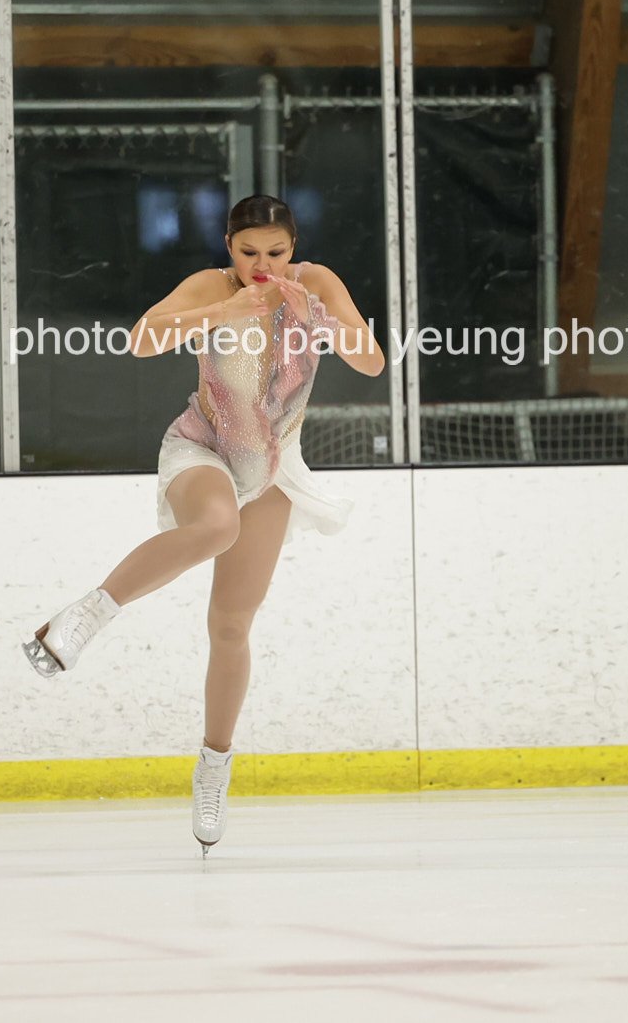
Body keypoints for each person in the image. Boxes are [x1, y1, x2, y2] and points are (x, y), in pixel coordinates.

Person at [22, 194, 384, 853]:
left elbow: (372, 361)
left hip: (273, 468)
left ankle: (214, 767)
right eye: (249, 252)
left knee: (231, 626)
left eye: (276, 252)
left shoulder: (315, 283)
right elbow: (141, 340)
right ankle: (87, 614)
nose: (262, 265)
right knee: (218, 525)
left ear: (294, 249)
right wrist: (222, 311)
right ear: (228, 246)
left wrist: (322, 318)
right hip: (203, 448)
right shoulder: (213, 287)